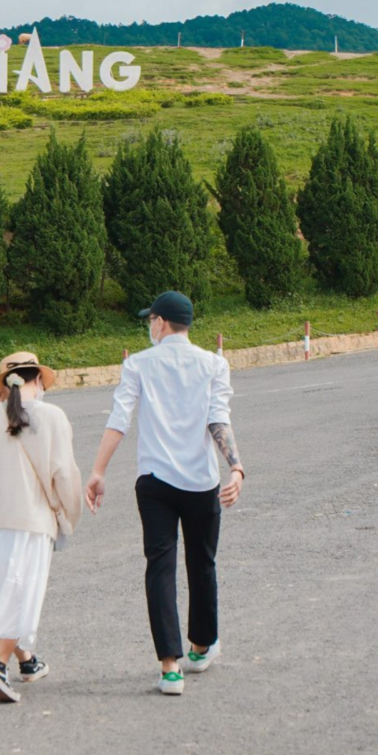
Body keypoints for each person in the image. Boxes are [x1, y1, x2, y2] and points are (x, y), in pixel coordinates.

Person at [84, 291, 245, 695]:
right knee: (202, 562)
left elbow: (119, 419)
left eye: (149, 321)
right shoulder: (214, 364)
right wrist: (236, 467)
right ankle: (200, 647)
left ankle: (170, 668)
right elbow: (218, 421)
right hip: (201, 481)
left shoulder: (138, 363)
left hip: (154, 482)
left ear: (159, 322)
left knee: (160, 565)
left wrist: (98, 472)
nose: (148, 327)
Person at [0, 351, 82, 703]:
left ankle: (27, 661)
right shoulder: (52, 416)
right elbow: (64, 473)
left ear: (4, 385)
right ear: (38, 380)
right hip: (32, 520)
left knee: (5, 589)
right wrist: (71, 514)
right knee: (22, 591)